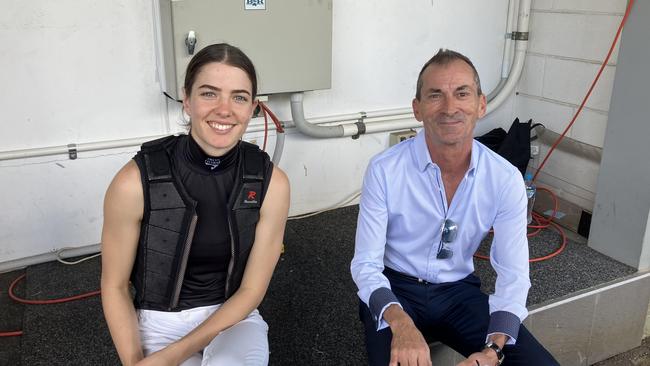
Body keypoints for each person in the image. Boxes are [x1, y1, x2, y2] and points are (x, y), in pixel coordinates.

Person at [350, 49, 558, 366]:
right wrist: (401, 323)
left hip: (458, 294)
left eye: (462, 93)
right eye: (435, 95)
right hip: (396, 289)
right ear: (417, 109)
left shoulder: (504, 179)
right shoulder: (385, 169)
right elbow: (366, 265)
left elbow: (514, 275)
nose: (450, 108)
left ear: (481, 104)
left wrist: (494, 350)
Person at [101, 43, 290, 366]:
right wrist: (136, 362)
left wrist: (171, 357)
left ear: (253, 108)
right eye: (209, 93)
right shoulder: (133, 182)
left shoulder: (272, 184)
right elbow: (114, 285)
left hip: (234, 318)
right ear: (186, 100)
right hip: (159, 321)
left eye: (239, 97)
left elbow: (251, 290)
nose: (225, 109)